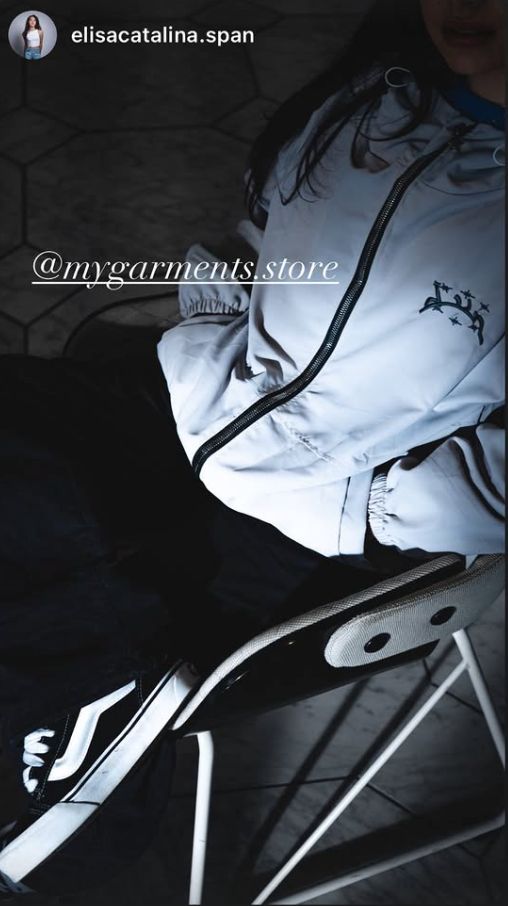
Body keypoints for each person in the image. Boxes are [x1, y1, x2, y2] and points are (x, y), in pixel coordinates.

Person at [0, 0, 504, 897]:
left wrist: (377, 504)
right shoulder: (375, 93)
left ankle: (87, 722)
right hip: (195, 407)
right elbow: (268, 246)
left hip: (329, 522)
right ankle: (101, 672)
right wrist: (215, 321)